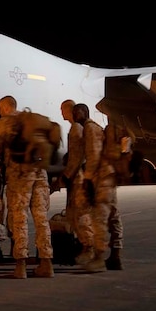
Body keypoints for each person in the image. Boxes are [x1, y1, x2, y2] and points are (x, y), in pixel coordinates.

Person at [0, 95, 54, 279]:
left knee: (19, 219)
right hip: (40, 173)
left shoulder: (2, 125)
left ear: (4, 107)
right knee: (42, 219)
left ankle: (21, 265)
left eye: (0, 108)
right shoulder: (33, 120)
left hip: (19, 175)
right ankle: (47, 263)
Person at [73, 103, 124, 272]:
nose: (74, 116)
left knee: (99, 218)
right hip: (110, 175)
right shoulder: (97, 127)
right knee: (113, 215)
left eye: (75, 112)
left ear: (82, 113)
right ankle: (116, 255)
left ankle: (99, 258)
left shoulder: (89, 128)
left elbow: (94, 155)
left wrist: (87, 180)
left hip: (100, 178)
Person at [59, 100, 94, 265]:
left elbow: (77, 157)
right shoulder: (80, 128)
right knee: (76, 214)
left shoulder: (75, 129)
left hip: (78, 178)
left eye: (63, 110)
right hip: (80, 176)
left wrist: (66, 175)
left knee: (81, 214)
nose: (62, 114)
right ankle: (83, 246)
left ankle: (89, 248)